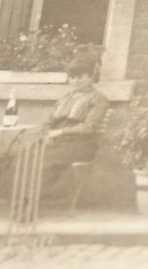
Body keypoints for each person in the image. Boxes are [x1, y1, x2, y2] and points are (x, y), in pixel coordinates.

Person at [40, 57, 110, 198]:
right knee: (28, 155)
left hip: (81, 143)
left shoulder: (99, 99)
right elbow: (49, 121)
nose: (75, 81)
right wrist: (46, 133)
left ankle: (29, 202)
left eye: (80, 77)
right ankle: (18, 202)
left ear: (91, 77)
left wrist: (59, 132)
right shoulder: (65, 98)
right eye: (72, 77)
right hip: (58, 141)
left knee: (45, 161)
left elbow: (88, 127)